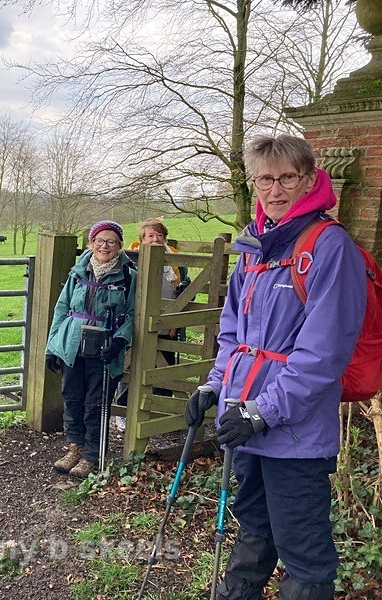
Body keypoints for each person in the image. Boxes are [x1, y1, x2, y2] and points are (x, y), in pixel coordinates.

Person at [184, 135, 365, 600]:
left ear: (308, 180)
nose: (276, 189)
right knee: (255, 528)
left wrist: (262, 411)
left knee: (304, 555)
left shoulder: (329, 247)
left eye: (288, 177)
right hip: (248, 422)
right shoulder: (255, 247)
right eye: (266, 178)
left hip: (296, 434)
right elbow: (234, 335)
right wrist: (214, 388)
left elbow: (322, 354)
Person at [45, 220, 136, 479]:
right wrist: (52, 347)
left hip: (105, 347)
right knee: (72, 397)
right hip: (72, 343)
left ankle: (92, 455)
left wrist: (120, 340)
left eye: (110, 241)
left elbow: (131, 314)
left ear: (119, 246)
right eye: (99, 240)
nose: (104, 245)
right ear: (91, 243)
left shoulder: (129, 276)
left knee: (96, 402)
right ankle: (74, 447)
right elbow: (61, 309)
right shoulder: (78, 272)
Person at [128, 217, 191, 401]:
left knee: (164, 369)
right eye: (150, 235)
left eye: (159, 235)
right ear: (142, 239)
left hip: (167, 324)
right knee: (131, 367)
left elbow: (189, 291)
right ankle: (124, 408)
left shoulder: (176, 258)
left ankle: (160, 408)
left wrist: (185, 290)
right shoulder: (131, 259)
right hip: (136, 325)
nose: (155, 239)